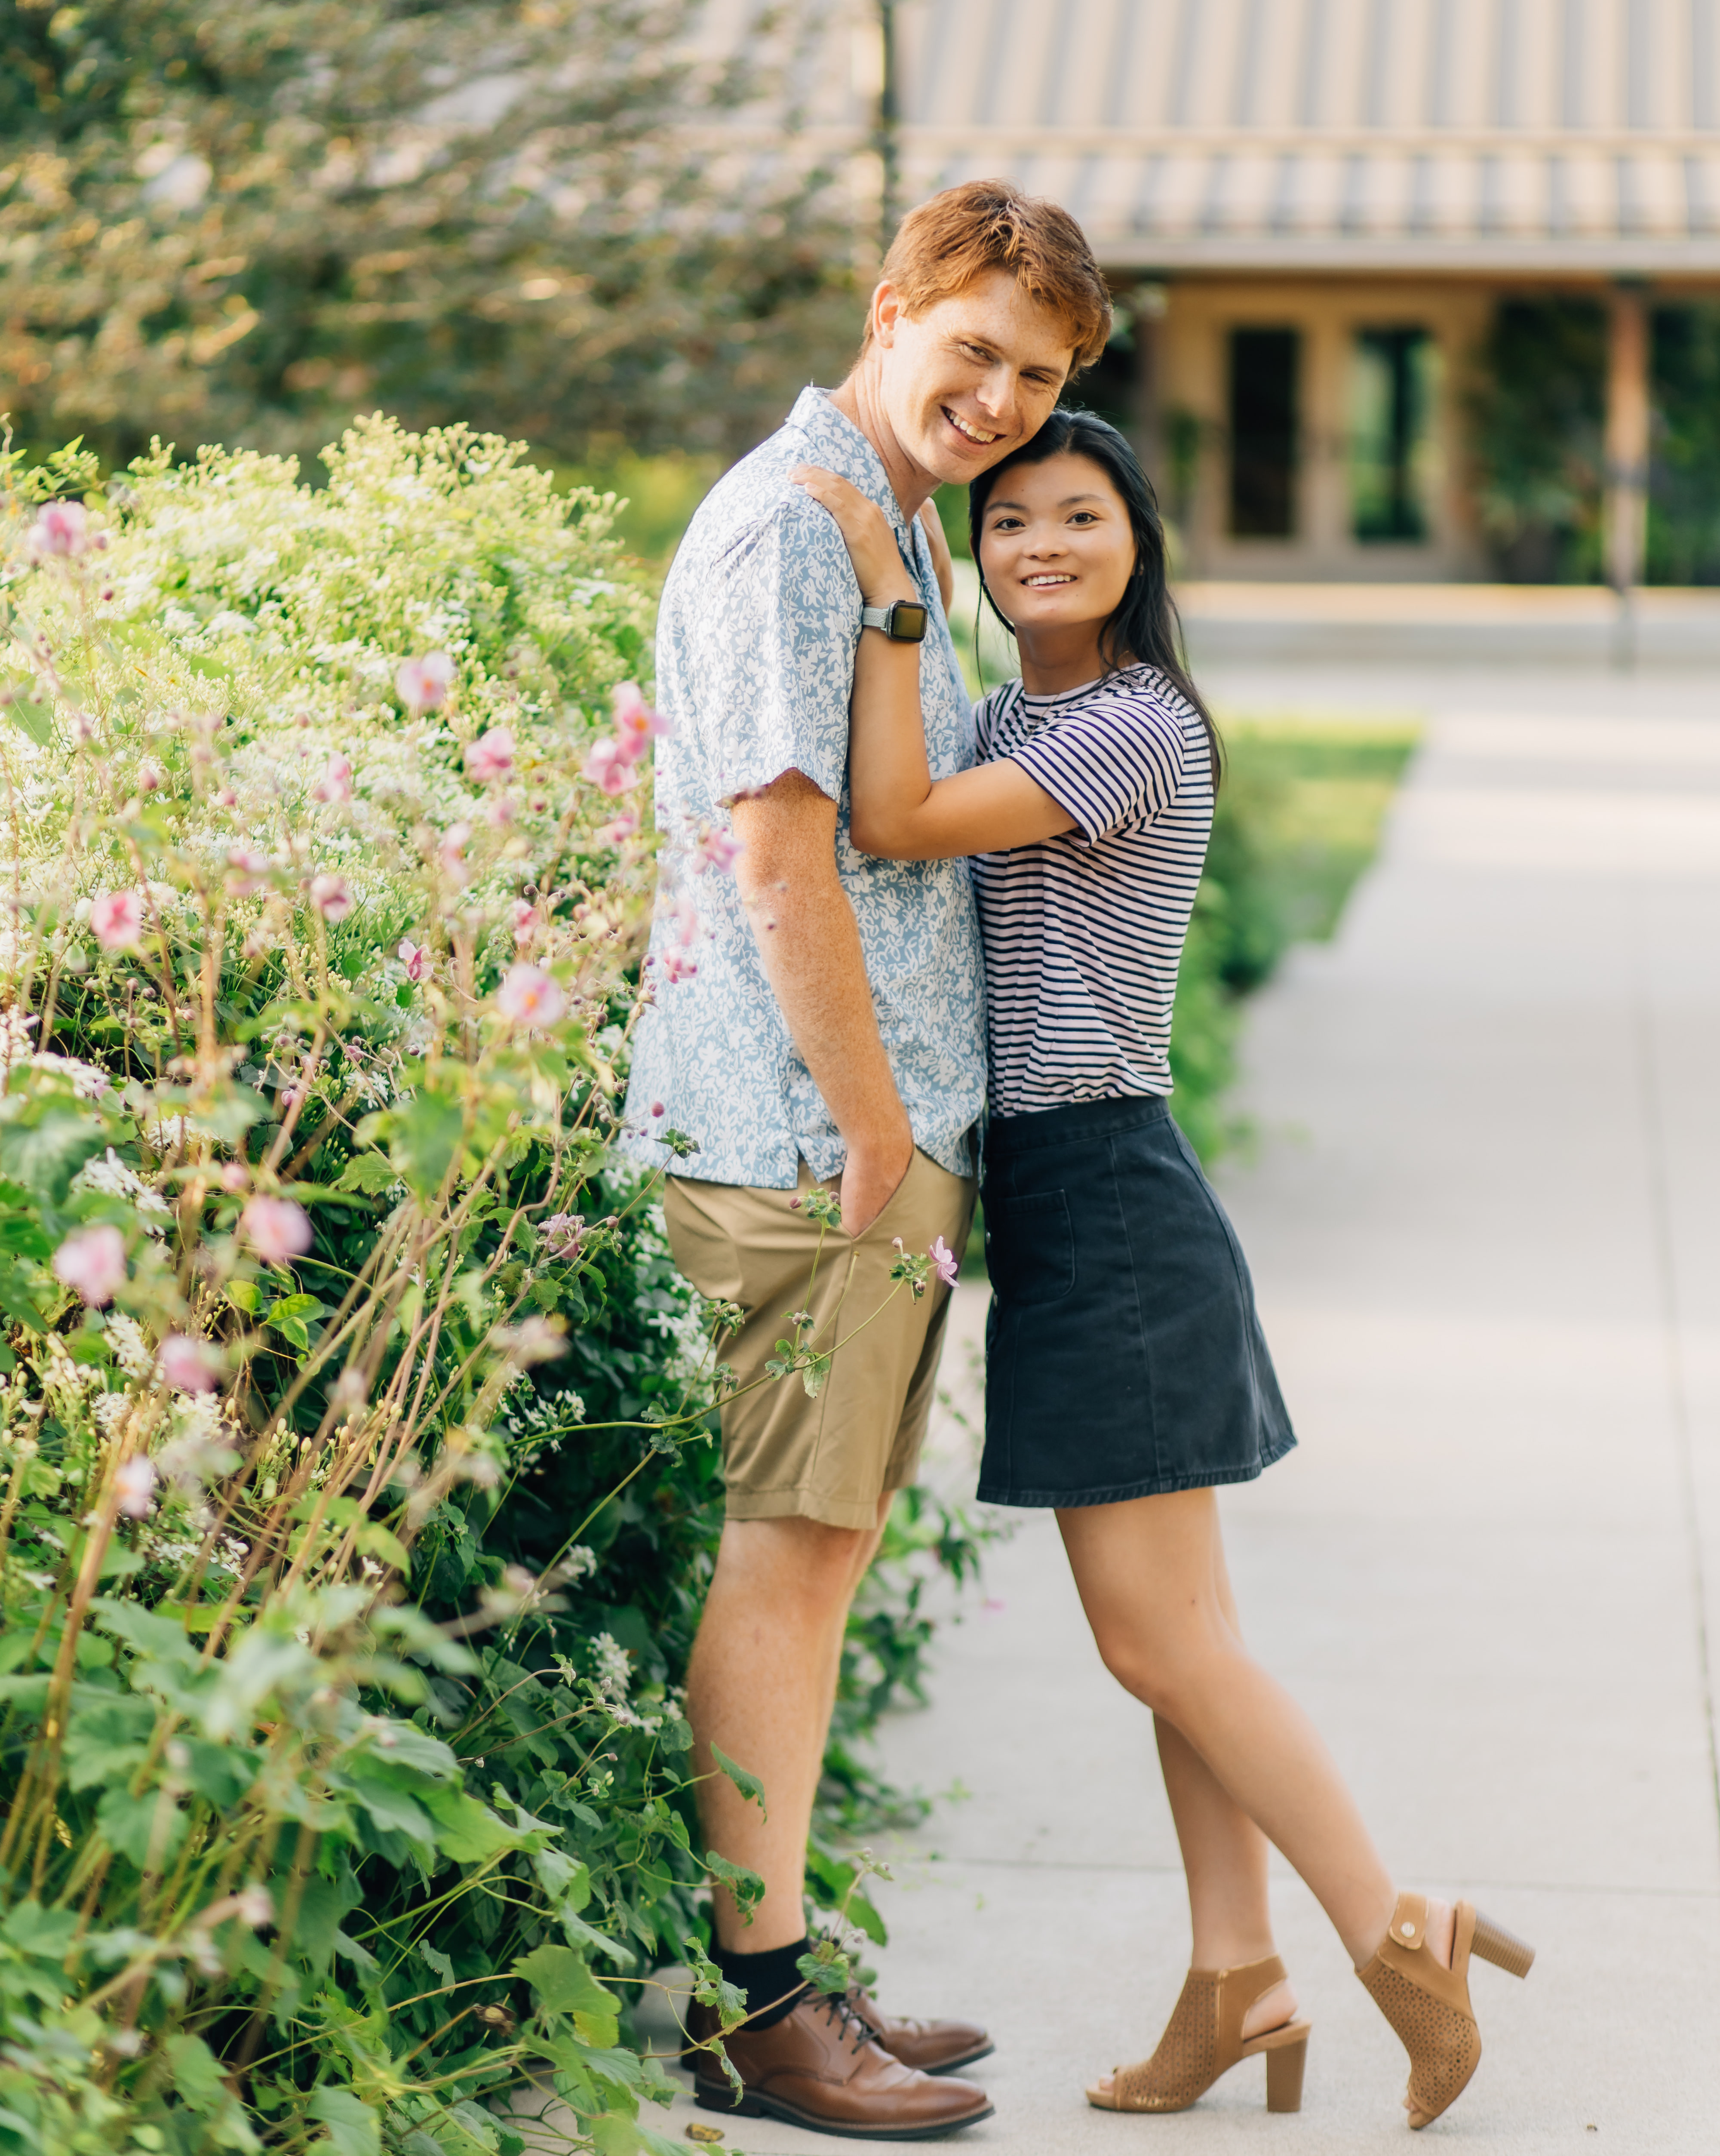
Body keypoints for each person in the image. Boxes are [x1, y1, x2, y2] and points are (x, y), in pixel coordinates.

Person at [790, 407, 1536, 2132]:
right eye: (1007, 524)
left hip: (1110, 1197)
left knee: (1160, 1648)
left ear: (1138, 542)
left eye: (1080, 516)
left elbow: (891, 819)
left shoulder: (1130, 723)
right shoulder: (1024, 718)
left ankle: (1392, 1928)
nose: (1042, 546)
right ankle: (1232, 1977)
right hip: (1083, 1200)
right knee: (1187, 1643)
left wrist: (887, 590)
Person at [619, 181, 1112, 2136]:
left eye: (1040, 378)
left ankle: (782, 1967)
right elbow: (775, 849)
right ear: (891, 305)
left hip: (854, 1137)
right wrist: (874, 1122)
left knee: (818, 1562)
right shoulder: (787, 526)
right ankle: (759, 2015)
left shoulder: (885, 519)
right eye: (975, 349)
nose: (1000, 401)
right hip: (806, 1139)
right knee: (789, 1555)